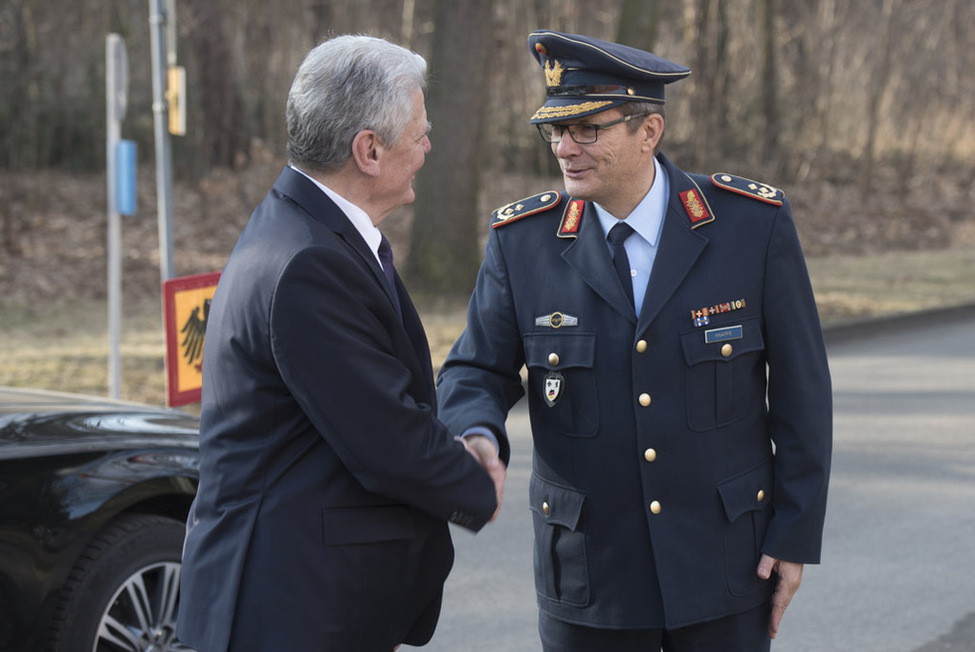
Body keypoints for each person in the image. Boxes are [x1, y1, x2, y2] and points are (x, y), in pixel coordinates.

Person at [436, 29, 832, 651]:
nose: (565, 148)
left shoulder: (750, 228)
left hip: (724, 566)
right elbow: (473, 370)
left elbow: (802, 395)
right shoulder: (524, 242)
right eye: (555, 131)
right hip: (590, 577)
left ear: (649, 132)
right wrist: (476, 432)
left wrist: (794, 533)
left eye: (587, 129)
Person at [177, 35, 504, 652]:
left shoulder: (309, 230)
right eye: (420, 133)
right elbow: (385, 436)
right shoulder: (308, 263)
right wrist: (474, 483)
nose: (429, 146)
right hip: (287, 610)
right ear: (369, 150)